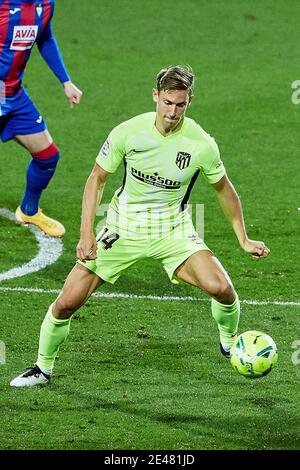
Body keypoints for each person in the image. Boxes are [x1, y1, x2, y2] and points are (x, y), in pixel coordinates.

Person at [10, 65, 270, 387]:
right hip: (122, 229)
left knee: (223, 289)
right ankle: (42, 368)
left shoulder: (201, 144)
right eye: (167, 102)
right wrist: (87, 233)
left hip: (173, 231)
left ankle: (229, 342)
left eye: (180, 104)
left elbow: (224, 190)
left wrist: (242, 239)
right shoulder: (128, 132)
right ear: (155, 97)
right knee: (66, 303)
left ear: (190, 101)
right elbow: (97, 179)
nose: (172, 112)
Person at [0, 0, 82, 237]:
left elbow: (45, 38)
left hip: (14, 97)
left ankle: (29, 210)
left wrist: (65, 81)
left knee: (47, 157)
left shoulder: (45, 4)